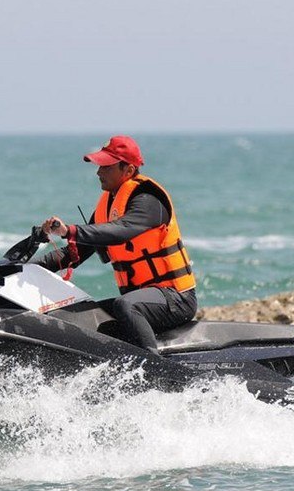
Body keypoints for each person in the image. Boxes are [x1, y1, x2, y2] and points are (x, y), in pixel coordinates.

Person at [36, 135, 197, 353]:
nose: (98, 172)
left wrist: (69, 230)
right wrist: (30, 268)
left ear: (128, 170)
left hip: (175, 299)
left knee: (126, 305)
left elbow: (121, 231)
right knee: (79, 315)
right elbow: (75, 253)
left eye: (106, 167)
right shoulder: (107, 206)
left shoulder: (148, 199)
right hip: (142, 300)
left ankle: (154, 369)